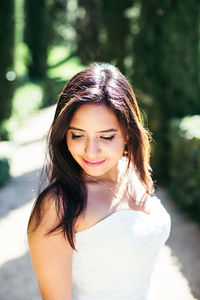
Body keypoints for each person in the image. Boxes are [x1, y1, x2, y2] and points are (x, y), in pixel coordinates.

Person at [28, 62, 171, 300]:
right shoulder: (58, 205)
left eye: (106, 136)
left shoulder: (132, 172)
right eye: (77, 135)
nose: (91, 151)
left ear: (128, 132)